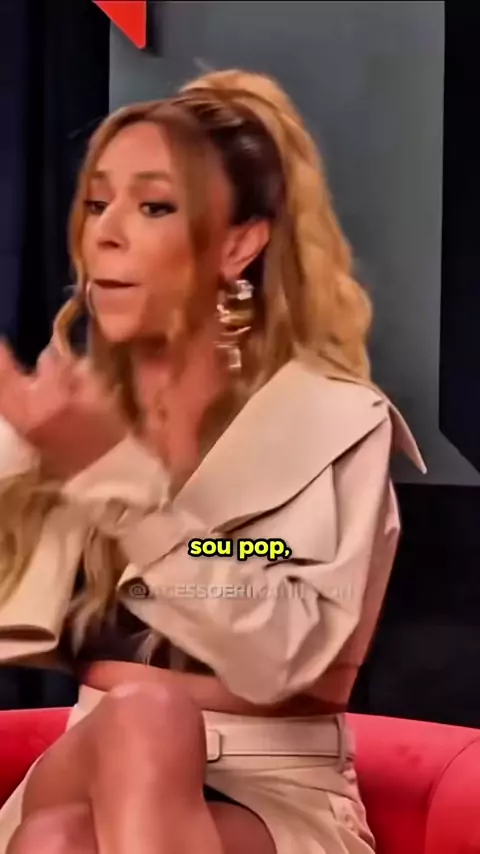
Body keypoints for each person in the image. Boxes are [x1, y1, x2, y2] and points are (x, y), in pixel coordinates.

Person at [0, 69, 425, 854]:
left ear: (239, 244)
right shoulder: (62, 414)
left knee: (60, 837)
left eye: (154, 206)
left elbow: (287, 656)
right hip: (84, 754)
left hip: (274, 786)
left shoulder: (333, 422)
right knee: (131, 724)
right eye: (98, 203)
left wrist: (121, 490)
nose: (106, 234)